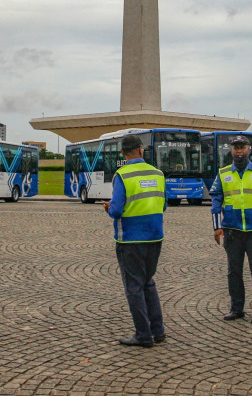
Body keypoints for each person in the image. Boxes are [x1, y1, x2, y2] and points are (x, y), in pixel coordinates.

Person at [103, 134, 167, 347]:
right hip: (155, 237)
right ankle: (158, 331)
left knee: (134, 287)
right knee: (148, 282)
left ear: (123, 153)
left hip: (130, 239)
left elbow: (117, 210)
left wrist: (109, 208)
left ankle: (143, 335)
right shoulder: (158, 174)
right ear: (141, 149)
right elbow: (163, 205)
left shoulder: (122, 175)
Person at [209, 135, 252, 324]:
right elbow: (216, 200)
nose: (239, 151)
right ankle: (236, 308)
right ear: (231, 150)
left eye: (242, 147)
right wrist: (217, 226)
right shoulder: (223, 173)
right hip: (232, 230)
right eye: (236, 148)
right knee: (234, 272)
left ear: (249, 150)